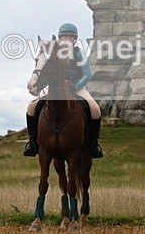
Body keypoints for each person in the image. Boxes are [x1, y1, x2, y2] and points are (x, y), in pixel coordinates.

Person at [23, 23, 103, 159]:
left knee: (95, 109)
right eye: (64, 36)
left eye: (70, 37)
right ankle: (32, 142)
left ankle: (94, 144)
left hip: (77, 87)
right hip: (54, 87)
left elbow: (87, 75)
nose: (66, 39)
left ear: (75, 40)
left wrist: (75, 87)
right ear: (59, 38)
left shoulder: (79, 54)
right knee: (31, 106)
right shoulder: (54, 54)